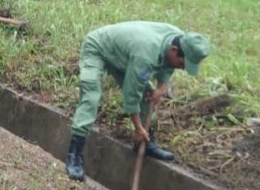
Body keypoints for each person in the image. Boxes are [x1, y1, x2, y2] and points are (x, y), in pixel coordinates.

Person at [65, 21, 211, 181]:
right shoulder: (146, 54)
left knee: (148, 94)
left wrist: (160, 90)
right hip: (98, 48)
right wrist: (138, 128)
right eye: (182, 64)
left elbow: (168, 67)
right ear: (174, 50)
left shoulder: (179, 39)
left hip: (125, 55)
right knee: (91, 97)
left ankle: (146, 144)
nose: (182, 68)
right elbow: (131, 94)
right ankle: (74, 155)